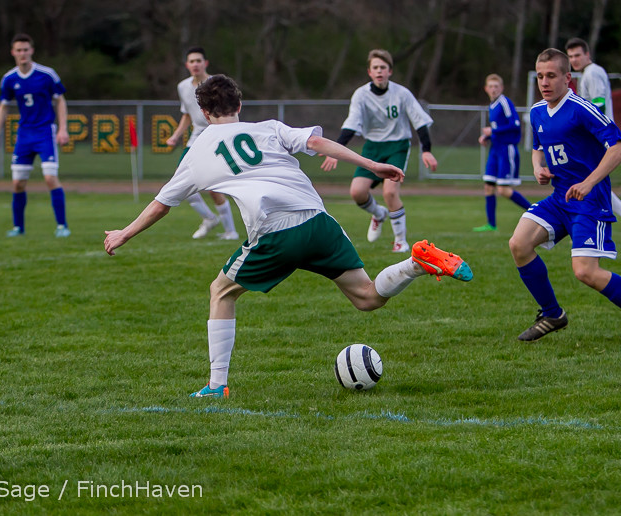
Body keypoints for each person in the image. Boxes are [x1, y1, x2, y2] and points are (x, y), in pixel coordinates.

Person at [105, 75, 472, 398]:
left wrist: (125, 233)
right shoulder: (268, 127)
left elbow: (161, 204)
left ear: (203, 113)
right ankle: (415, 263)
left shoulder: (197, 152)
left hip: (276, 232)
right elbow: (317, 143)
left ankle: (217, 386)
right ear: (239, 105)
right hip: (318, 222)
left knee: (221, 292)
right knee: (368, 297)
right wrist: (372, 164)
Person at [509, 48, 621, 342]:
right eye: (540, 76)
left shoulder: (580, 108)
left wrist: (589, 182)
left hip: (589, 202)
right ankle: (552, 314)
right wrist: (538, 168)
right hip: (560, 199)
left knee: (586, 272)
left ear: (567, 78)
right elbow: (538, 147)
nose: (544, 82)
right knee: (519, 244)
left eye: (551, 76)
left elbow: (616, 147)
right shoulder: (537, 111)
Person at [321, 49, 438, 253]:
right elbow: (352, 124)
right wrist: (336, 148)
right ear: (369, 72)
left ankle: (400, 241)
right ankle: (378, 214)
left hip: (397, 146)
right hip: (372, 147)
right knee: (357, 192)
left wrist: (426, 150)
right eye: (375, 67)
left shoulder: (402, 93)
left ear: (390, 71)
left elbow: (419, 122)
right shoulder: (361, 94)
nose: (379, 71)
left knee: (390, 192)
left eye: (383, 67)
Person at [0, 33, 70, 238]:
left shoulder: (47, 74)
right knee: (18, 183)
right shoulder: (9, 79)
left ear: (32, 50)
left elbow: (60, 100)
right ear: (13, 52)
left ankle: (62, 226)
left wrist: (63, 128)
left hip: (45, 132)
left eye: (26, 49)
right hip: (24, 135)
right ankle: (18, 228)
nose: (22, 53)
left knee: (50, 178)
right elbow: (3, 107)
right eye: (19, 50)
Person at [165, 47, 238, 240]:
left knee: (213, 186)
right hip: (197, 137)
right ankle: (209, 218)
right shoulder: (183, 87)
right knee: (180, 180)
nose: (195, 64)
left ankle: (230, 231)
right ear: (187, 65)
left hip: (217, 135)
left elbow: (229, 111)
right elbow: (187, 115)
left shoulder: (217, 84)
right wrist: (176, 136)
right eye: (192, 61)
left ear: (205, 63)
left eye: (198, 60)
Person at [565, 37, 621, 217]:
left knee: (590, 180)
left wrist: (583, 129)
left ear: (587, 54)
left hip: (599, 136)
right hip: (599, 136)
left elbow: (599, 104)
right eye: (570, 56)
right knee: (592, 180)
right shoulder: (588, 73)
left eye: (577, 55)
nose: (574, 60)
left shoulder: (592, 73)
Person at [473, 74, 532, 231]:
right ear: (486, 89)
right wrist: (487, 137)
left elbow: (515, 125)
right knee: (488, 186)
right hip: (495, 149)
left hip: (506, 149)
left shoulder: (505, 102)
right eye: (490, 86)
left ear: (502, 88)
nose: (493, 89)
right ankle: (491, 225)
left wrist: (493, 131)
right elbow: (497, 129)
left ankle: (537, 212)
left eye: (496, 86)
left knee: (503, 190)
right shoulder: (492, 105)